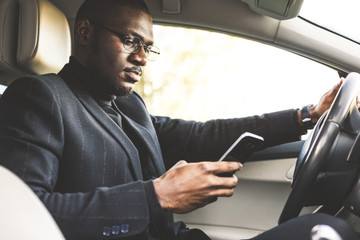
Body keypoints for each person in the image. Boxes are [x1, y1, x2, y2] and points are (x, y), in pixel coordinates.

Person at [0, 0, 357, 239]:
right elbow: (22, 214)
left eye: (147, 48)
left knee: (324, 228)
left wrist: (306, 116)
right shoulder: (39, 98)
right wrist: (156, 196)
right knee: (323, 230)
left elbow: (201, 136)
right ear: (84, 33)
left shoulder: (129, 106)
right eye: (130, 41)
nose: (141, 57)